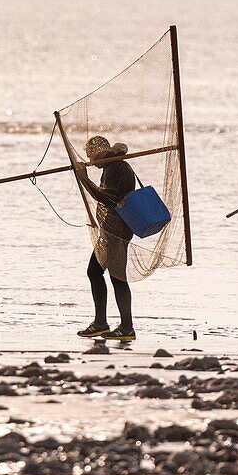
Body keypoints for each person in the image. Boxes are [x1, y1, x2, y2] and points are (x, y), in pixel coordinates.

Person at [73, 135, 136, 341]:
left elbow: (105, 197)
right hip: (110, 230)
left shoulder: (117, 168)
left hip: (118, 230)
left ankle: (126, 327)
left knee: (117, 277)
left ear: (101, 153)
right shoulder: (111, 167)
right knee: (95, 272)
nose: (91, 162)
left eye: (92, 157)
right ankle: (101, 323)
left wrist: (83, 178)